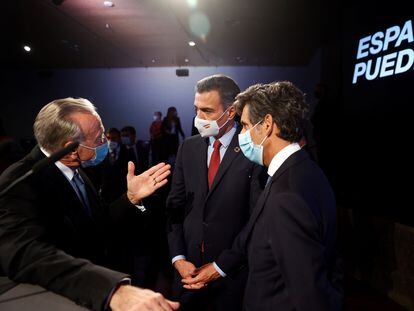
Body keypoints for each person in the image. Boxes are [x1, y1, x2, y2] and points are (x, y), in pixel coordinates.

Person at [0, 98, 179, 311]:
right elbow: (28, 254)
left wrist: (130, 198)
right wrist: (112, 290)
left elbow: (98, 223)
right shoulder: (22, 180)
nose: (105, 140)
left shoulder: (78, 170)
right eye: (99, 137)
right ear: (71, 149)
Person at [184, 82, 343, 310]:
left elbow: (309, 293)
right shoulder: (303, 170)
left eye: (246, 125)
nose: (242, 134)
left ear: (267, 124)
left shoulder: (287, 195)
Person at [166, 75, 266, 310]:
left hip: (232, 279)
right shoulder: (187, 148)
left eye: (207, 111)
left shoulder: (252, 152)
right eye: (196, 109)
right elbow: (174, 208)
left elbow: (256, 221)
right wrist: (178, 259)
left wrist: (220, 266)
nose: (198, 118)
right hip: (187, 278)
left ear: (231, 112)